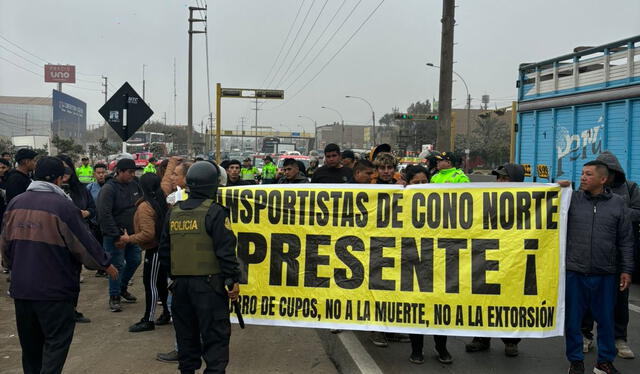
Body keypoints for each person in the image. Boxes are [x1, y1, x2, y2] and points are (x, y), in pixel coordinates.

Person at [0, 156, 117, 374]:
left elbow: (5, 246)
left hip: (22, 290)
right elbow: (83, 243)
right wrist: (105, 263)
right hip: (54, 289)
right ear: (58, 179)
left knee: (31, 348)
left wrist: (15, 268)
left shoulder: (16, 203)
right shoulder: (63, 206)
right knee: (56, 343)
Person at [158, 161, 240, 374]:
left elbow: (164, 251)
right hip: (208, 288)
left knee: (186, 340)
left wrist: (174, 277)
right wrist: (232, 280)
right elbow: (226, 251)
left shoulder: (174, 212)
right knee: (215, 340)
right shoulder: (215, 212)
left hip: (180, 288)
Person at [563, 160, 634, 374]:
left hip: (605, 273)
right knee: (573, 321)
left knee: (606, 321)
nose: (583, 177)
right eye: (582, 174)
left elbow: (626, 240)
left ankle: (604, 362)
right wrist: (557, 189)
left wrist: (627, 270)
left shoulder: (619, 203)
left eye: (588, 174)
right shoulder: (571, 200)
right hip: (575, 271)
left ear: (603, 179)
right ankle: (575, 362)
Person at [580, 151, 640, 359]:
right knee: (586, 301)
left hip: (617, 256)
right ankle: (585, 336)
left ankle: (619, 338)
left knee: (620, 301)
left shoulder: (630, 189)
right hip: (590, 257)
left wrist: (614, 209)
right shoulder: (586, 191)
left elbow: (638, 212)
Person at [465, 162, 525, 357]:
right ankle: (482, 337)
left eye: (505, 178)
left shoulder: (527, 201)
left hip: (512, 258)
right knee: (483, 297)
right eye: (498, 178)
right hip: (486, 256)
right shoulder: (485, 197)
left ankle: (511, 340)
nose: (500, 181)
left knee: (510, 299)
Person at [120, 173, 171, 332]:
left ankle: (148, 319)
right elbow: (167, 180)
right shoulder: (162, 200)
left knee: (151, 284)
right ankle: (166, 313)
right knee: (161, 283)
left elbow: (148, 233)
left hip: (154, 250)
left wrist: (129, 239)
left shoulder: (145, 206)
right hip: (163, 248)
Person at [97, 158, 143, 312]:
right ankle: (114, 296)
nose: (132, 174)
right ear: (120, 172)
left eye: (133, 172)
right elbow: (104, 214)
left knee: (135, 260)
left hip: (131, 234)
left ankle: (122, 288)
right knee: (116, 265)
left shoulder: (135, 185)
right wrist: (117, 235)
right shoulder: (109, 189)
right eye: (129, 172)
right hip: (114, 236)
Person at [59, 155, 97, 324]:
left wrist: (86, 213)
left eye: (67, 167)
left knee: (74, 276)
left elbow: (92, 208)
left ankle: (71, 310)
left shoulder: (81, 189)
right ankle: (59, 312)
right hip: (56, 240)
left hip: (78, 238)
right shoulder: (52, 191)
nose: (65, 172)